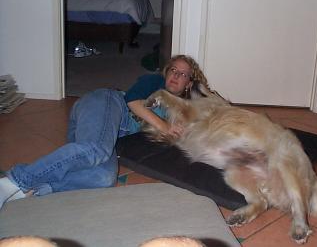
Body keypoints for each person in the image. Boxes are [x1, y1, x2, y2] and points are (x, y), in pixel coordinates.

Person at [0, 55, 210, 210]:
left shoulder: (185, 107)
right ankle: (14, 181)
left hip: (106, 132)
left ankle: (32, 191)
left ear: (189, 83)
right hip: (107, 102)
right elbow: (132, 101)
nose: (175, 75)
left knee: (103, 178)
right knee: (96, 150)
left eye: (182, 74)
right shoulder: (155, 82)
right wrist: (164, 126)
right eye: (173, 69)